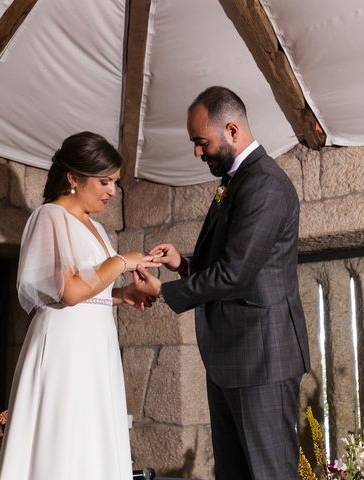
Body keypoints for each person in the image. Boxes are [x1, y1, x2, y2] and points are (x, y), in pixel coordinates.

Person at [133, 86, 311, 479]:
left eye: (202, 142)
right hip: (235, 358)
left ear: (232, 130)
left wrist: (163, 291)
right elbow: (230, 262)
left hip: (262, 357)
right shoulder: (237, 179)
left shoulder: (264, 183)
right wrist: (183, 264)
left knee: (270, 474)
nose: (198, 152)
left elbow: (235, 273)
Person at [0, 132, 157, 479]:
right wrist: (121, 263)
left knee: (93, 434)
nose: (112, 191)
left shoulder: (98, 228)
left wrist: (120, 295)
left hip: (96, 344)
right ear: (73, 178)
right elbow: (67, 292)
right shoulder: (48, 217)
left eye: (114, 182)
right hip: (65, 345)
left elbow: (87, 289)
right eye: (104, 181)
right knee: (64, 432)